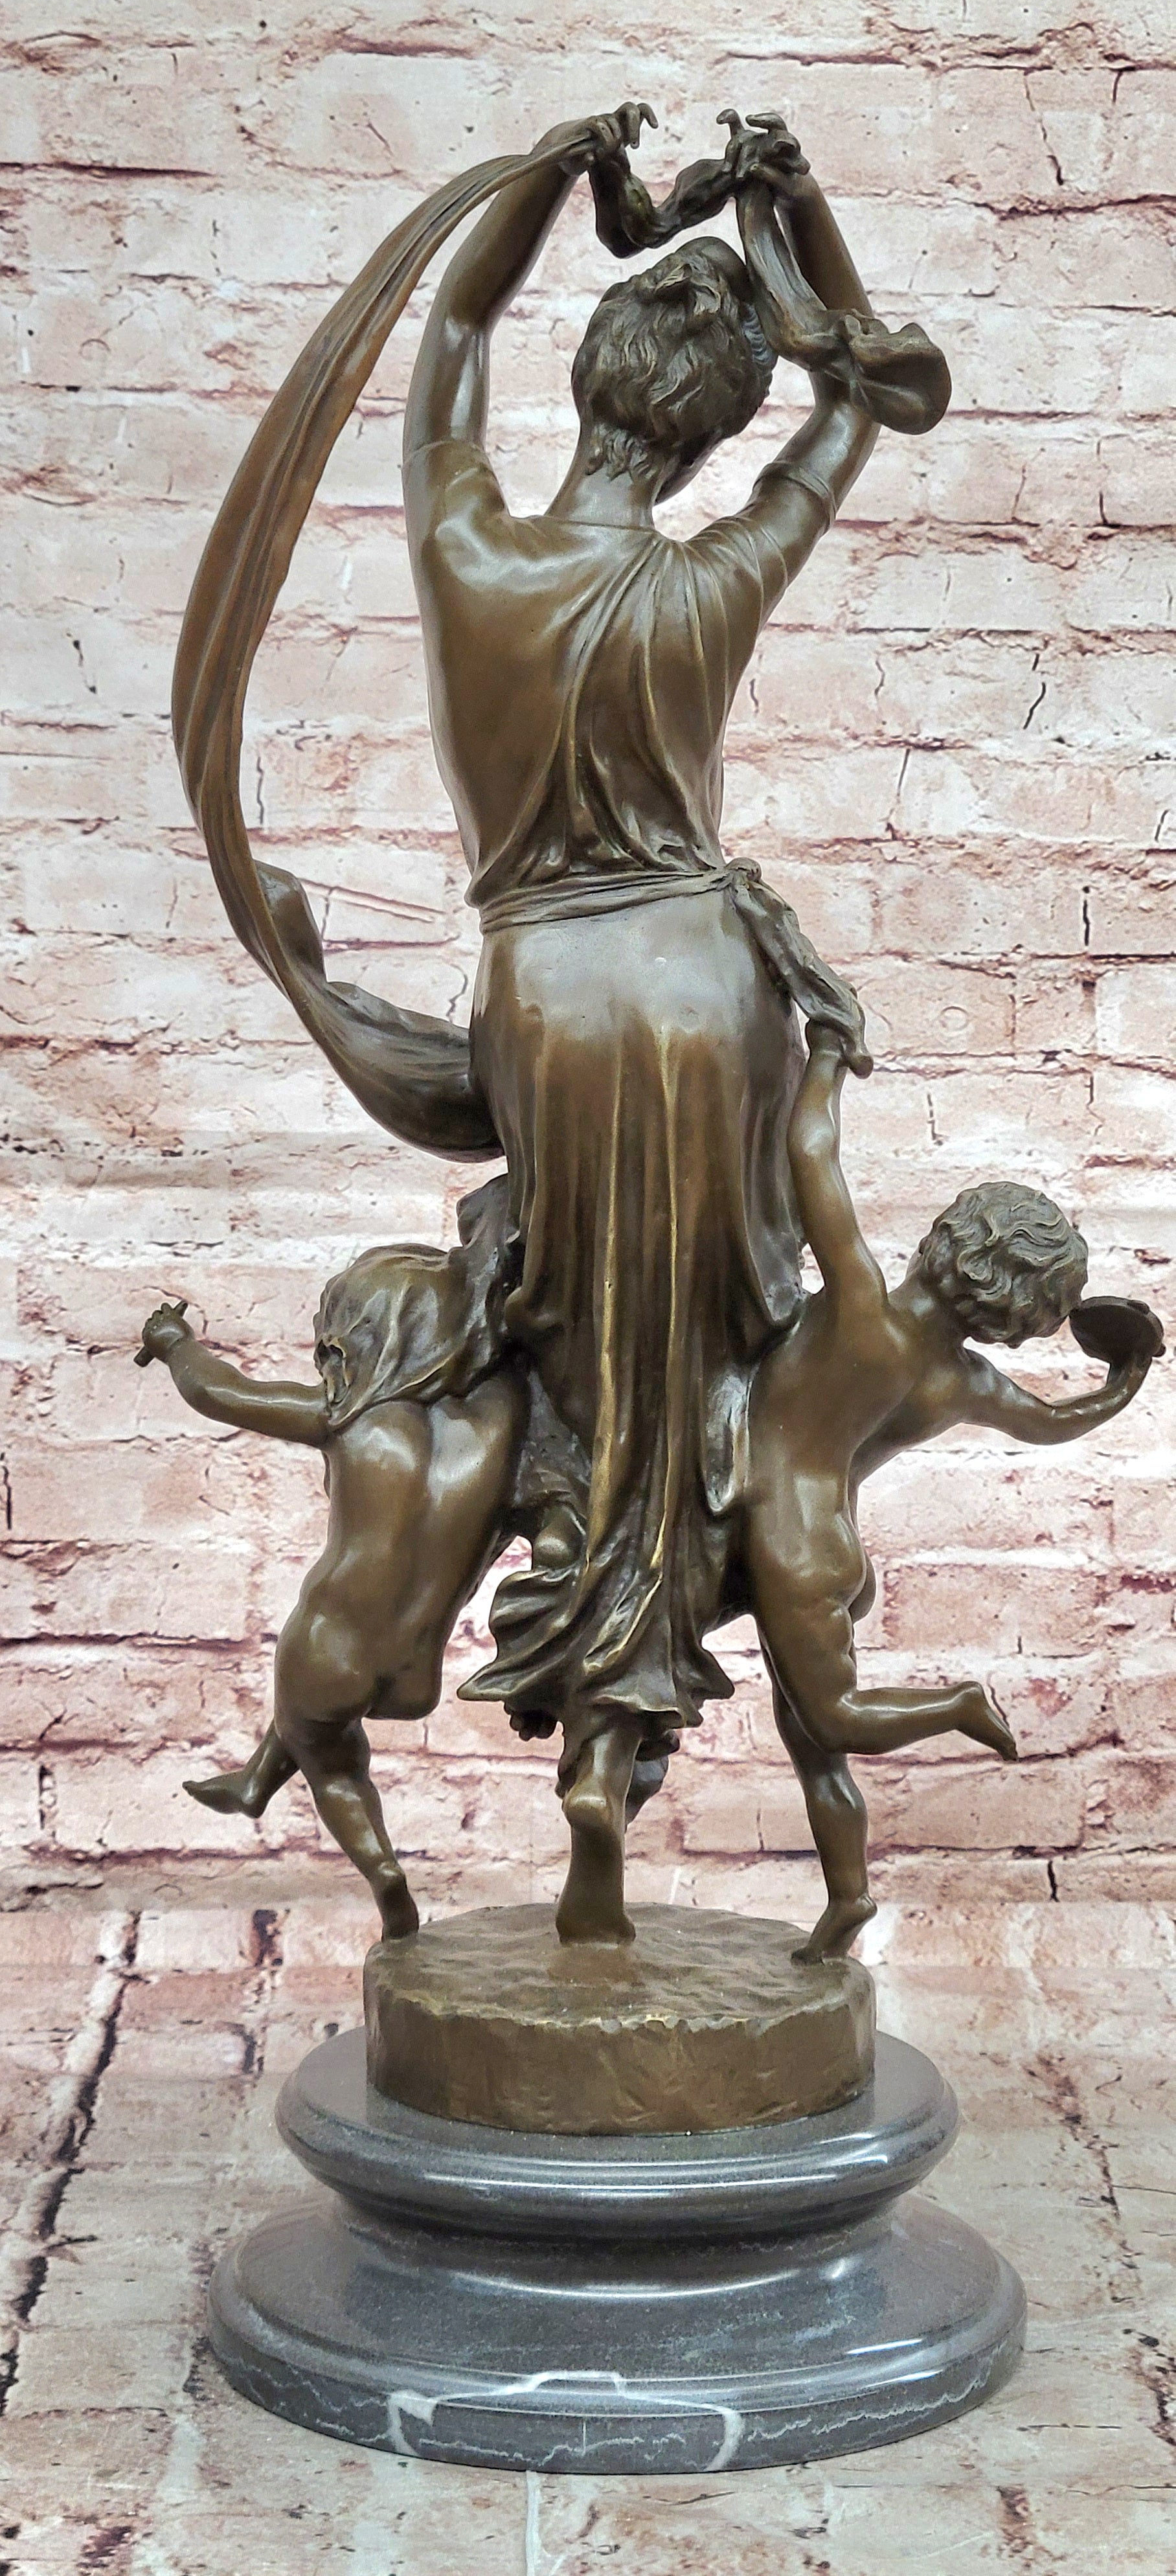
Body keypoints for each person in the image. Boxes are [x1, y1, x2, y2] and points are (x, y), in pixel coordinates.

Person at [400, 104, 944, 1940]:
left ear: (586, 381)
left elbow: (452, 329)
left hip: (549, 996)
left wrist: (556, 174)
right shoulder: (712, 581)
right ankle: (637, 1701)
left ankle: (588, 1701)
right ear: (712, 434)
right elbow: (861, 397)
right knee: (711, 1353)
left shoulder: (467, 548)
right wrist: (806, 217)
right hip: (712, 1000)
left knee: (572, 1348)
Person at [741, 1022, 1164, 1959]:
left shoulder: (861, 1307)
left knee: (834, 1717)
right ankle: (848, 1900)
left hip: (785, 1538)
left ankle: (959, 1703)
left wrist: (827, 1059)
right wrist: (1127, 1376)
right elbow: (1054, 1422)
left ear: (950, 1238)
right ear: (1018, 1314)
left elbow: (810, 1153)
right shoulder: (960, 1382)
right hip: (828, 1544)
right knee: (812, 1740)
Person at [136, 1183, 526, 1937]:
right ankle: (254, 1783)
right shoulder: (500, 1424)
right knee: (307, 1721)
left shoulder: (347, 1417)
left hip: (326, 1643)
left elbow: (218, 1391)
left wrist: (172, 1341)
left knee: (331, 1756)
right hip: (417, 1668)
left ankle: (384, 1875)